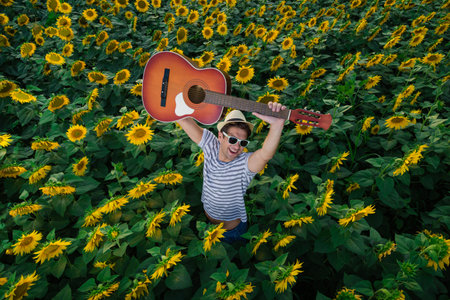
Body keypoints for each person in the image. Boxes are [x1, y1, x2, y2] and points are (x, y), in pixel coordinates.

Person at [176, 102, 286, 243]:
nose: (237, 146)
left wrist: (277, 125)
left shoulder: (244, 164)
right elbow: (182, 119)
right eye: (233, 139)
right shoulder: (211, 145)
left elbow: (265, 154)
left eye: (243, 142)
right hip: (209, 226)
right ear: (221, 136)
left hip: (231, 232)